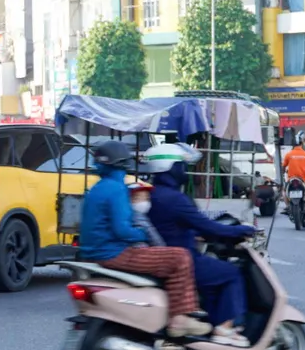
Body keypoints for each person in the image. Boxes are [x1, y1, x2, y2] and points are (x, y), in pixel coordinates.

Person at [78, 140, 213, 338]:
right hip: (115, 253)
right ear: (123, 164)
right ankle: (180, 319)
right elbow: (122, 230)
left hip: (96, 252)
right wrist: (144, 235)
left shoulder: (97, 189)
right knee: (180, 257)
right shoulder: (116, 189)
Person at [143, 143, 257, 347]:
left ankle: (210, 325)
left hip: (164, 255)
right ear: (170, 167)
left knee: (214, 279)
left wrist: (196, 233)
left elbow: (176, 226)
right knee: (231, 274)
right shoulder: (176, 199)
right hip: (185, 260)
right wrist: (243, 230)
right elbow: (210, 227)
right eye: (180, 166)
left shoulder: (152, 194)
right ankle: (224, 328)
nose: (184, 171)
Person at [283, 131, 305, 207]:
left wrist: (284, 171)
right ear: (301, 143)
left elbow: (283, 167)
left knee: (284, 190)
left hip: (291, 179)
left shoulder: (288, 154)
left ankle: (287, 206)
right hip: (304, 179)